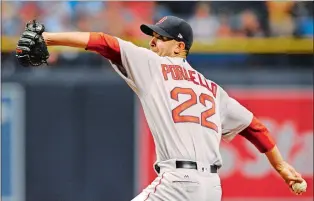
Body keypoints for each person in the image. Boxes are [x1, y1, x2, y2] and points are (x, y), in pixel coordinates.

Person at [16, 16, 306, 201]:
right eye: (152, 36)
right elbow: (255, 127)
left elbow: (105, 43)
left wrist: (48, 38)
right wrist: (281, 166)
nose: (153, 41)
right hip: (212, 189)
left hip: (177, 184)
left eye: (161, 37)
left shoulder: (153, 64)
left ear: (180, 47)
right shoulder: (213, 90)